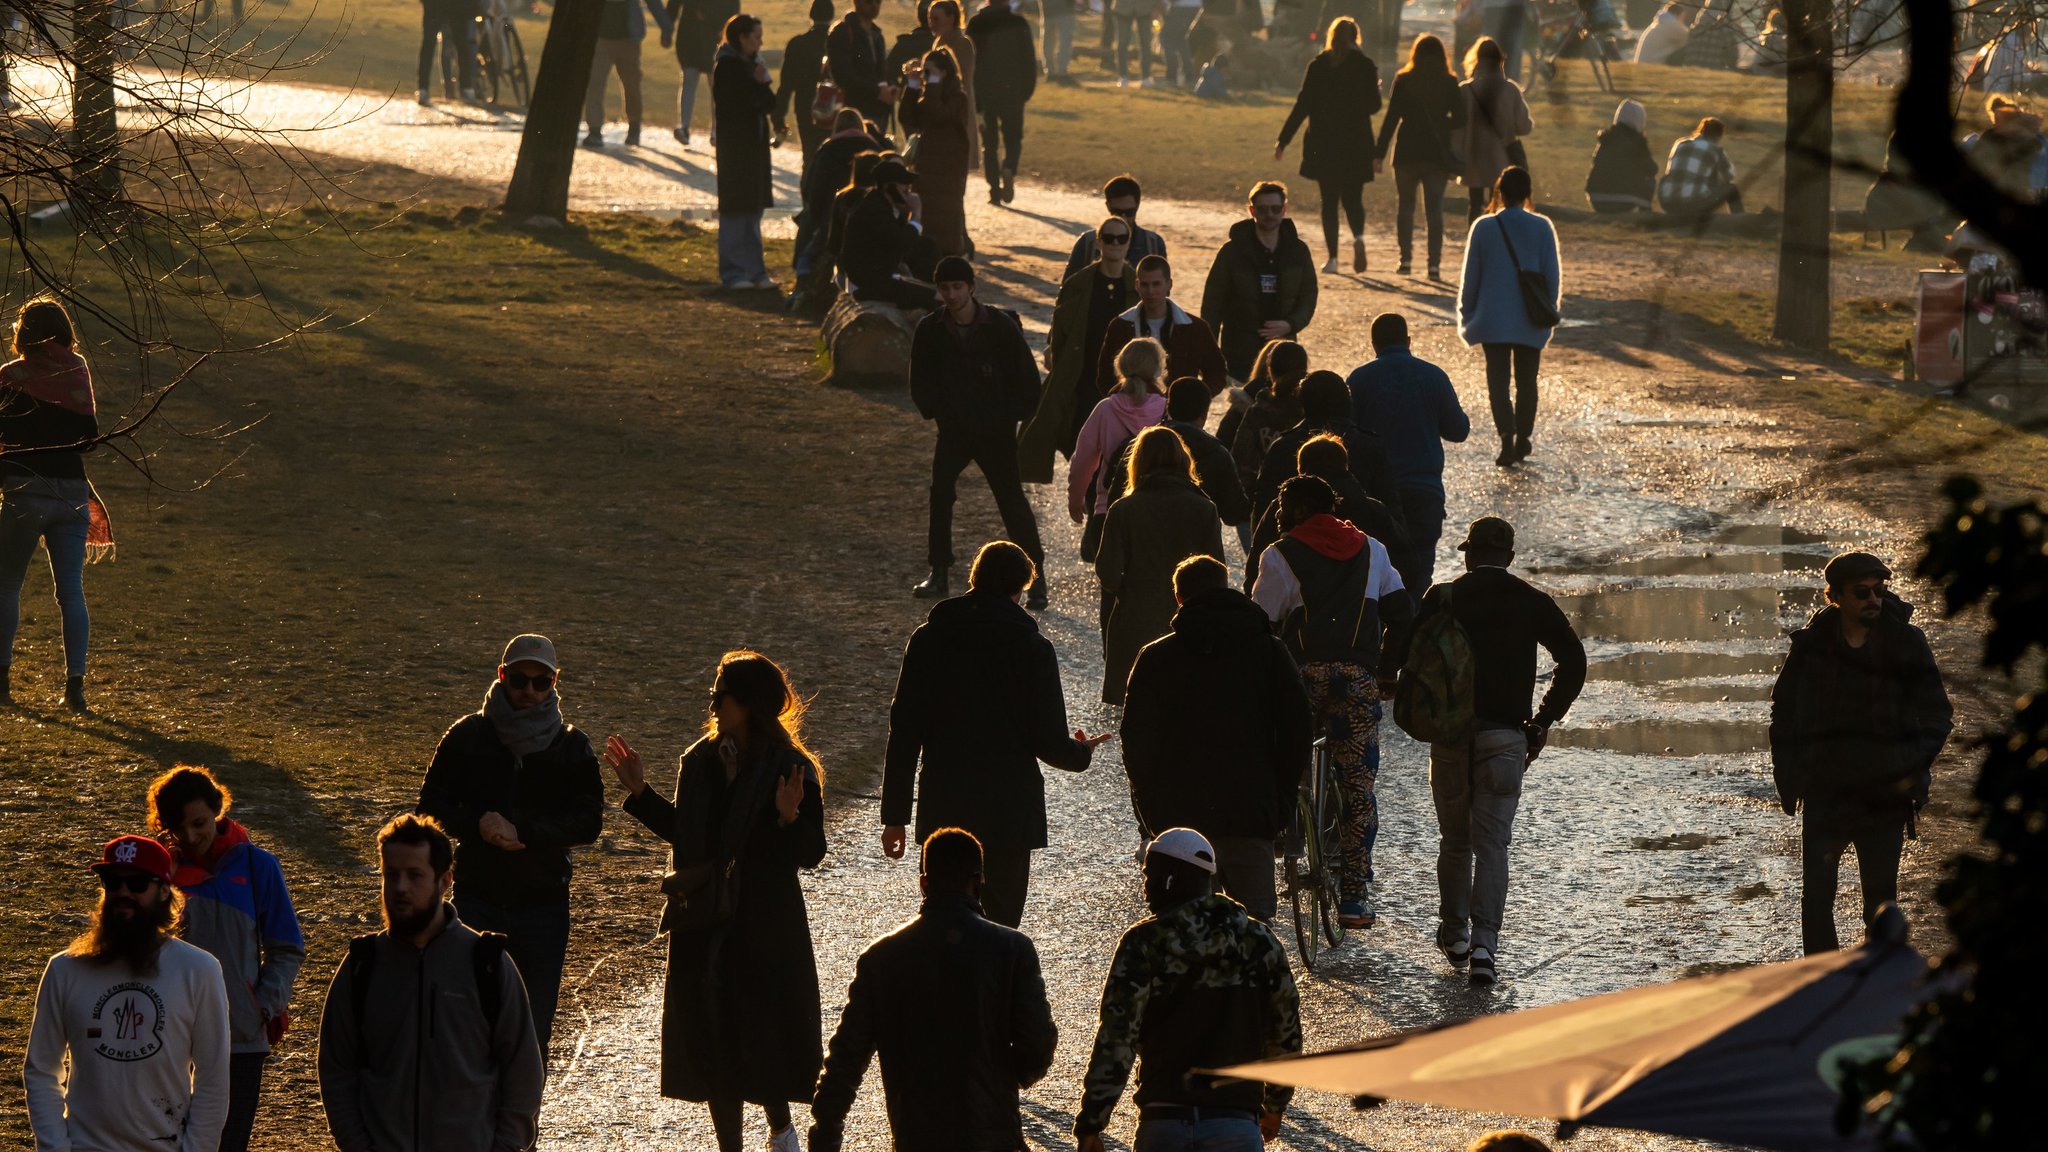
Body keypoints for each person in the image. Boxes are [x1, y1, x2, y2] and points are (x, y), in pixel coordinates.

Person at [605, 651, 827, 1152]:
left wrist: (790, 818)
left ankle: (779, 1128)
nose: (712, 703)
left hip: (766, 923)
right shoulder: (700, 761)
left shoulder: (791, 768)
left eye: (720, 694)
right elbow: (689, 839)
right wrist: (641, 793)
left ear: (747, 704)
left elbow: (811, 853)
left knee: (763, 1035)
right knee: (715, 1039)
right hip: (704, 919)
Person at [1396, 515, 1586, 984]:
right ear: (1511, 558)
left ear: (1467, 554)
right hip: (1506, 737)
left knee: (1455, 841)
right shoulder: (1531, 601)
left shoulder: (1444, 596)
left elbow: (1404, 650)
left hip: (1450, 737)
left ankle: (1454, 932)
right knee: (1493, 845)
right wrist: (1541, 720)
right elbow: (1574, 661)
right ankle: (1485, 947)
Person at [883, 540, 1108, 926]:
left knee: (942, 917)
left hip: (944, 804)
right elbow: (1048, 740)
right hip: (1009, 811)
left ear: (974, 578)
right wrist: (1081, 752)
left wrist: (895, 816)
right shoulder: (1032, 648)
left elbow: (904, 732)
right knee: (1001, 925)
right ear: (1019, 588)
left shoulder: (928, 639)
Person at [413, 633, 603, 1063]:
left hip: (543, 908)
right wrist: (478, 826)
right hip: (476, 901)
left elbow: (590, 821)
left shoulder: (572, 746)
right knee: (465, 1025)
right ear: (502, 676)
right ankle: (471, 1126)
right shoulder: (467, 735)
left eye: (541, 682)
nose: (529, 692)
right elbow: (430, 807)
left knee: (531, 1034)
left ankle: (518, 1130)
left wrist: (524, 830)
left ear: (555, 682)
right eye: (519, 679)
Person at [809, 828, 1059, 1152]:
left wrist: (825, 1132)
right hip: (994, 1136)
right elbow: (1038, 1043)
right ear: (979, 881)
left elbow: (845, 1059)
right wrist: (1003, 1079)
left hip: (917, 1136)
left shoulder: (881, 959)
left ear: (924, 883)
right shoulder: (1013, 949)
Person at [316, 814, 544, 1152]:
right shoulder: (362, 965)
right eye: (391, 875)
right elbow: (336, 1068)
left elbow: (523, 1070)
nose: (400, 888)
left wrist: (507, 1146)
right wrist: (356, 1144)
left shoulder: (487, 964)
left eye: (415, 875)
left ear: (445, 881)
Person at [1073, 828, 1301, 1152]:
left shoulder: (1143, 943)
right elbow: (1286, 1031)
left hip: (1164, 1122)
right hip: (1236, 1123)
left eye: (1148, 875)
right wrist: (1275, 1104)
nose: (1145, 888)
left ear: (1170, 879)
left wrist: (1092, 1123)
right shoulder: (1260, 943)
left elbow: (1117, 1038)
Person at [1251, 474, 1413, 928]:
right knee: (1359, 787)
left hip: (1300, 679)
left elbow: (1260, 621)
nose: (1279, 516)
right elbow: (1402, 612)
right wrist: (1386, 670)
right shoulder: (1372, 549)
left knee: (1279, 760)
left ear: (1299, 510)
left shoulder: (1280, 553)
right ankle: (1355, 896)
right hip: (1357, 681)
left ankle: (1285, 829)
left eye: (1284, 506)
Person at [1770, 552, 1952, 955]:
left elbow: (1938, 714)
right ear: (1834, 597)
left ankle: (1876, 986)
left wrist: (1908, 767)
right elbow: (1782, 712)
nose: (1874, 600)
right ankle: (1819, 981)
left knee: (1881, 904)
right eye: (1863, 593)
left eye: (1880, 591)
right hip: (1825, 793)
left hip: (1884, 797)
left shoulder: (1906, 643)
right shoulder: (1812, 645)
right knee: (1817, 899)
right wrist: (1788, 779)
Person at [1122, 557, 1311, 919]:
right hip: (1250, 812)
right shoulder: (1269, 650)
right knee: (1254, 930)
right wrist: (1280, 801)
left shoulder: (1156, 657)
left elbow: (1136, 742)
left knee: (1183, 927)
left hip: (1179, 818)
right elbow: (1297, 730)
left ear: (1179, 598)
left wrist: (1149, 811)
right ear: (1229, 588)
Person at [27, 835, 230, 1152]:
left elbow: (213, 1078)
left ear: (164, 891)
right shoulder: (64, 970)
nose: (123, 893)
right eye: (112, 882)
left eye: (137, 884)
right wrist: (55, 1148)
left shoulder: (199, 971)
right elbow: (41, 1070)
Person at [151, 767, 305, 1152]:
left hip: (240, 1041)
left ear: (218, 808)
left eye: (199, 823)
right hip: (171, 1043)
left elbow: (287, 948)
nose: (190, 837)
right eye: (177, 828)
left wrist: (262, 1008)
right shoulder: (158, 875)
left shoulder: (259, 867)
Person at [908, 257, 1048, 604]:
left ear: (972, 288)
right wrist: (938, 413)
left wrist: (1009, 416)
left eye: (957, 287)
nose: (951, 295)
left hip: (995, 434)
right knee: (940, 495)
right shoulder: (931, 329)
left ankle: (1037, 579)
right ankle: (939, 572)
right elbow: (920, 379)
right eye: (945, 288)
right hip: (954, 431)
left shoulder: (1000, 327)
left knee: (1012, 502)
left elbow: (1028, 380)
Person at [1, 296, 109, 712]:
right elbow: (89, 438)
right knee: (71, 592)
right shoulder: (76, 371)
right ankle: (75, 686)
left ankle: (2, 678)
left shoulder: (10, 377)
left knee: (7, 584)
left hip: (25, 491)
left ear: (23, 335)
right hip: (71, 494)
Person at [1096, 426, 1225, 704]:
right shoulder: (1204, 508)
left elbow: (1107, 574)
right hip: (1191, 623)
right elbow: (1217, 573)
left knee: (1139, 709)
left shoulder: (1123, 509)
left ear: (1138, 463)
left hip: (1136, 620)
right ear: (1183, 460)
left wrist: (1128, 588)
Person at [1346, 311, 1468, 592]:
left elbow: (1347, 433)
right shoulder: (1434, 376)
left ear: (1374, 344)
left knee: (1378, 575)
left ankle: (1386, 633)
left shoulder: (1360, 379)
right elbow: (1458, 431)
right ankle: (1414, 627)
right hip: (1425, 491)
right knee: (1421, 573)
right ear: (1409, 340)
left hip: (1377, 495)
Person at [1019, 217, 1138, 482]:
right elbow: (1060, 332)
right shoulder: (1078, 285)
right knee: (1082, 456)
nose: (1115, 244)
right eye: (1109, 238)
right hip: (1081, 383)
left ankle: (1098, 515)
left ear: (1129, 242)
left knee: (1117, 463)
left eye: (1121, 238)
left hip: (1122, 389)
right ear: (1098, 242)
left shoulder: (1138, 288)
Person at [1458, 165, 1560, 467]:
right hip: (1530, 318)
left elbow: (1471, 277)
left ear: (1499, 192)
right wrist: (1547, 310)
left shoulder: (1484, 227)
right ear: (1528, 193)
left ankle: (1506, 436)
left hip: (1492, 318)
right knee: (1527, 382)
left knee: (1498, 383)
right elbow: (1552, 277)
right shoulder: (1542, 227)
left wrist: (1467, 313)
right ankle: (1524, 437)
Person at [1276, 17, 1383, 274]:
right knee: (1353, 198)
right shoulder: (1365, 66)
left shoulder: (1318, 65)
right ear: (1356, 37)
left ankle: (1333, 258)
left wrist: (1284, 139)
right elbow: (1374, 107)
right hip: (1356, 144)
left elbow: (1303, 105)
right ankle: (1358, 238)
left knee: (1329, 201)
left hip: (1323, 144)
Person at [1245, 430, 1408, 593]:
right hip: (1364, 611)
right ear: (1345, 467)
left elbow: (1256, 571)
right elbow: (1406, 567)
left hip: (1297, 611)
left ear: (1301, 471)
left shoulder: (1284, 509)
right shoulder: (1374, 511)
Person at [1248, 368, 1401, 534]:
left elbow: (1264, 508)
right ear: (1347, 402)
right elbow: (1391, 507)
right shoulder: (1370, 446)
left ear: (1303, 403)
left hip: (1297, 549)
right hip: (1361, 549)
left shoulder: (1283, 447)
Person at [1201, 181, 1320, 382]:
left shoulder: (1298, 251)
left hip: (1283, 351)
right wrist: (1210, 352)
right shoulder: (1232, 252)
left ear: (1284, 209)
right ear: (1252, 210)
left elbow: (1308, 295)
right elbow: (1213, 302)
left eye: (1275, 208)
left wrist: (1290, 324)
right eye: (1263, 209)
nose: (1270, 214)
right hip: (1239, 351)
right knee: (1243, 408)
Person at [1069, 337, 1169, 560]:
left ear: (1120, 366)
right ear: (1158, 369)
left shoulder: (1105, 409)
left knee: (1110, 589)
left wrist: (1075, 499)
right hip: (1157, 513)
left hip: (1109, 510)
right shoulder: (1167, 411)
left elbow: (1083, 461)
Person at [1376, 32, 1464, 278]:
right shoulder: (1448, 81)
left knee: (1405, 207)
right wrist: (1442, 125)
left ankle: (1405, 260)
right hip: (1436, 155)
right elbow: (1461, 117)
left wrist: (1379, 153)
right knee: (1434, 210)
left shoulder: (1404, 80)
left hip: (1406, 151)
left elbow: (1391, 118)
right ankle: (1433, 265)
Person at [1110, 377, 1249, 528]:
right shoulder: (1216, 452)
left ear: (1168, 408)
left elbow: (1114, 498)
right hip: (1196, 544)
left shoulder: (1138, 446)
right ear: (1204, 414)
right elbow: (1234, 514)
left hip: (1142, 540)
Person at [712, 14, 781, 290]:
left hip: (753, 150)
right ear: (741, 38)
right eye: (755, 37)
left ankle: (755, 271)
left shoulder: (753, 64)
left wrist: (762, 81)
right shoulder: (727, 66)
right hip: (736, 149)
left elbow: (768, 104)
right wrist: (758, 82)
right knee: (735, 211)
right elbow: (740, 104)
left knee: (752, 211)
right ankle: (733, 272)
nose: (760, 42)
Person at [1096, 255, 1230, 397]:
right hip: (1131, 413)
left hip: (1181, 414)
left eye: (1156, 284)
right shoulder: (1120, 326)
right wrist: (1121, 403)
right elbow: (1105, 376)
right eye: (1145, 284)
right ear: (1137, 285)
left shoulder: (1196, 328)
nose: (1150, 291)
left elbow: (1217, 372)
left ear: (1169, 284)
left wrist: (1196, 401)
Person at [899, 47, 977, 256]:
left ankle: (950, 255)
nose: (926, 76)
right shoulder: (928, 96)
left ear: (944, 72)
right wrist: (913, 85)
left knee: (945, 217)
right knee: (927, 215)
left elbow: (938, 114)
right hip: (926, 169)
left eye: (929, 71)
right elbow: (907, 117)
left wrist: (932, 84)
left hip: (947, 171)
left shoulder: (957, 98)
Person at [841, 158, 936, 308]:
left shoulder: (880, 204)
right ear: (888, 187)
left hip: (879, 276)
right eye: (903, 184)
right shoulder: (875, 210)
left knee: (927, 245)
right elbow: (902, 242)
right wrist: (916, 214)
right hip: (871, 282)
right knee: (935, 300)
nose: (908, 188)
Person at [1226, 338, 1308, 514]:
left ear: (1269, 369)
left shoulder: (1258, 412)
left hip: (1262, 504)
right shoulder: (1314, 409)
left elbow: (1242, 460)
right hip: (1308, 504)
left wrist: (1242, 505)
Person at [968, 0, 1037, 204]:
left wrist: (973, 94)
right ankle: (1009, 167)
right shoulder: (1019, 23)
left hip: (984, 92)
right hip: (1013, 91)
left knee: (989, 144)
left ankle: (994, 190)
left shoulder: (976, 24)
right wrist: (1026, 90)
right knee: (1013, 138)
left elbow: (969, 61)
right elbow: (1029, 60)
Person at [1459, 36, 1533, 222]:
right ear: (1500, 60)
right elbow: (1524, 127)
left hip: (1474, 156)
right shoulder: (1511, 90)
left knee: (1475, 204)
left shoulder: (1466, 91)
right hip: (1502, 158)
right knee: (1499, 206)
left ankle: (1474, 239)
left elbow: (1457, 126)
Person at [582, 0, 674, 148]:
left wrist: (666, 27)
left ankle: (634, 127)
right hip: (601, 37)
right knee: (595, 84)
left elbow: (653, 3)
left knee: (631, 85)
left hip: (628, 39)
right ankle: (594, 130)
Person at [1063, 174, 1169, 282]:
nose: (1123, 218)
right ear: (1108, 206)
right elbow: (1067, 290)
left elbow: (1163, 291)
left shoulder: (1154, 244)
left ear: (1138, 206)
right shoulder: (1087, 243)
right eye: (1117, 212)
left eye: (1129, 212)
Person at [667, 0, 740, 144]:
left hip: (716, 40)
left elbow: (733, 13)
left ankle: (716, 130)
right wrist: (667, 29)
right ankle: (684, 127)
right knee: (689, 79)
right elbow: (673, 6)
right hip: (690, 38)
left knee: (716, 85)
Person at [775, 0, 838, 162]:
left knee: (810, 156)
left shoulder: (797, 44)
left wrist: (778, 119)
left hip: (805, 106)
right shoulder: (837, 43)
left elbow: (786, 86)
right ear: (832, 16)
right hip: (834, 108)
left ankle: (809, 184)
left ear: (811, 16)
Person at [829, 0, 902, 126]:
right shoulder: (843, 31)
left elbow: (881, 74)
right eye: (869, 2)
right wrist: (877, 91)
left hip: (878, 112)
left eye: (878, 2)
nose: (874, 6)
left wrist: (889, 88)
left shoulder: (877, 35)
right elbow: (842, 76)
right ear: (856, 2)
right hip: (853, 113)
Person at [1657, 116, 1745, 217]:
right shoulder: (1715, 150)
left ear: (1701, 131)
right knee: (1731, 188)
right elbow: (1729, 176)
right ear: (1718, 136)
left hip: (1668, 202)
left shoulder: (1681, 143)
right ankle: (1741, 219)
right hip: (1692, 204)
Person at [1585, 97, 1657, 213]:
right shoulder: (1638, 142)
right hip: (1624, 201)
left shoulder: (1606, 139)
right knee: (1650, 178)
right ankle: (1645, 211)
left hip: (1596, 198)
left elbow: (1596, 163)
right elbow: (1652, 169)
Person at [416, 0, 477, 104]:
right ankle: (465, 87)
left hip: (451, 5)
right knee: (432, 43)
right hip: (442, 5)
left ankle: (423, 88)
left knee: (459, 43)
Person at [1110, 0, 1156, 86]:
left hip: (1145, 7)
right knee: (1122, 42)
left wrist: (1155, 6)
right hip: (1123, 7)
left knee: (1146, 43)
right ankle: (1122, 75)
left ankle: (1146, 76)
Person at [1160, 0, 1202, 86]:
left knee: (1167, 37)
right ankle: (1189, 75)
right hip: (1195, 5)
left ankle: (1171, 77)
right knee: (1181, 39)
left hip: (1181, 5)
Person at [1042, 0, 1078, 83]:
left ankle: (1050, 71)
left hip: (1047, 9)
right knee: (1065, 42)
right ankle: (1062, 72)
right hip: (1065, 10)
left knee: (1048, 43)